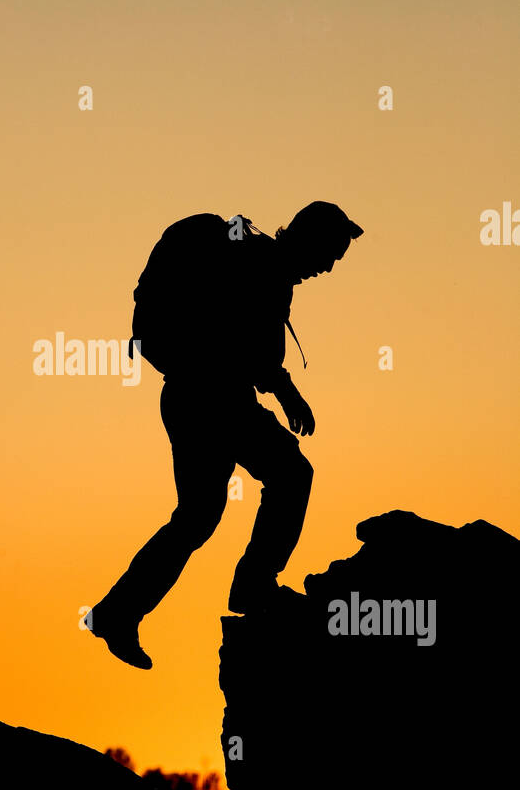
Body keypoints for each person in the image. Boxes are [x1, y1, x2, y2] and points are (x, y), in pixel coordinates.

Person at [86, 201, 363, 669]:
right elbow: (250, 354)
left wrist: (276, 385)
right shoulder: (265, 268)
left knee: (197, 517)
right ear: (309, 239)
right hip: (213, 400)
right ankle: (252, 587)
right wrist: (288, 392)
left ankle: (117, 612)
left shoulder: (259, 262)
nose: (330, 266)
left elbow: (246, 351)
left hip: (193, 398)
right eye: (330, 252)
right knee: (290, 474)